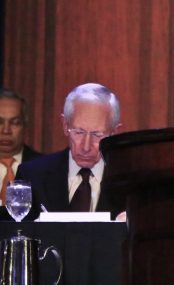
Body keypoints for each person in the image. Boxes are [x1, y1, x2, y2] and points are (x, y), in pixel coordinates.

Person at [15, 82, 122, 219]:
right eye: (78, 132)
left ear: (114, 132)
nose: (86, 147)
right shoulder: (32, 175)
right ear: (65, 125)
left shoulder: (130, 180)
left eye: (97, 135)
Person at [0, 88, 43, 207]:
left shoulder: (44, 168)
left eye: (15, 122)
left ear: (25, 125)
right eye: (0, 122)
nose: (6, 130)